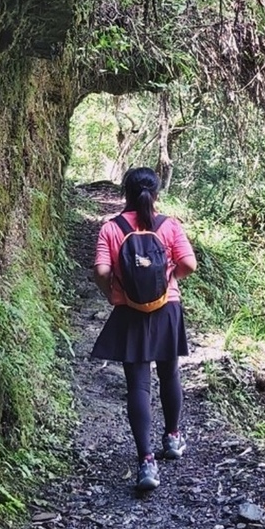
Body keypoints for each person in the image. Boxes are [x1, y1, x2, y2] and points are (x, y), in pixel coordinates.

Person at [91, 167, 198, 492]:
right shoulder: (169, 225)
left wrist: (111, 293)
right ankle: (173, 438)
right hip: (167, 309)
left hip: (129, 311)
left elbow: (101, 269)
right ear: (156, 193)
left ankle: (146, 463)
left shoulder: (112, 228)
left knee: (138, 385)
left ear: (126, 193)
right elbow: (189, 264)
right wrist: (169, 281)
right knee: (169, 374)